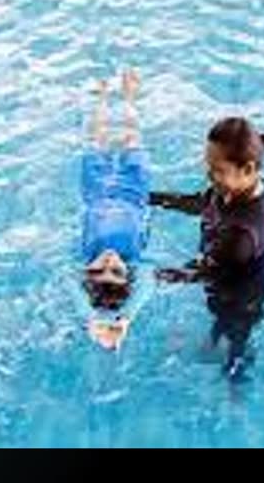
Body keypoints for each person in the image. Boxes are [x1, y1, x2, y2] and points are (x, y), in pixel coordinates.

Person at [152, 116, 264, 379]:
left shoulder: (241, 235)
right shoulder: (231, 188)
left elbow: (204, 272)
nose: (209, 176)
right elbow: (200, 203)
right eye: (209, 167)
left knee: (235, 334)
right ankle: (216, 341)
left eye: (218, 170)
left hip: (241, 295)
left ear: (248, 168)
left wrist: (151, 276)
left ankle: (236, 379)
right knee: (221, 322)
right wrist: (150, 198)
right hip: (224, 273)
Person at [76, 69, 154, 350]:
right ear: (127, 273)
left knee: (96, 141)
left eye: (99, 270)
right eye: (116, 271)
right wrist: (126, 319)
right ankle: (130, 95)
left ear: (86, 273)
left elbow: (69, 286)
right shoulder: (135, 259)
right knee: (133, 137)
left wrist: (91, 320)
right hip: (134, 190)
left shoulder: (85, 255)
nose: (108, 261)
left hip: (95, 189)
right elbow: (146, 286)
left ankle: (102, 97)